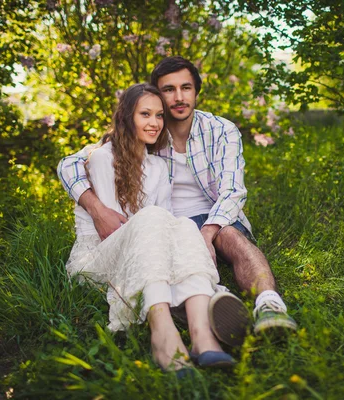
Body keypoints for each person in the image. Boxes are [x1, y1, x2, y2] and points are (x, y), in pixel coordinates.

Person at [58, 57, 297, 339]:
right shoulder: (145, 130)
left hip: (213, 215)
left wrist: (207, 233)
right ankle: (211, 306)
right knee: (165, 257)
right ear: (157, 94)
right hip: (168, 222)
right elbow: (70, 164)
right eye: (169, 89)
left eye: (186, 87)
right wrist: (97, 209)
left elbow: (233, 190)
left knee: (230, 236)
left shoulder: (221, 130)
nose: (179, 97)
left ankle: (269, 304)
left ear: (196, 91)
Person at [64, 83, 236, 374]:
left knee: (182, 224)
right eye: (145, 114)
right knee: (157, 217)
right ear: (127, 117)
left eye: (159, 116)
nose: (155, 123)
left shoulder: (157, 167)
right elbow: (112, 231)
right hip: (98, 259)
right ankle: (163, 333)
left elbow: (164, 227)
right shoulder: (103, 158)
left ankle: (202, 337)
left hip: (144, 255)